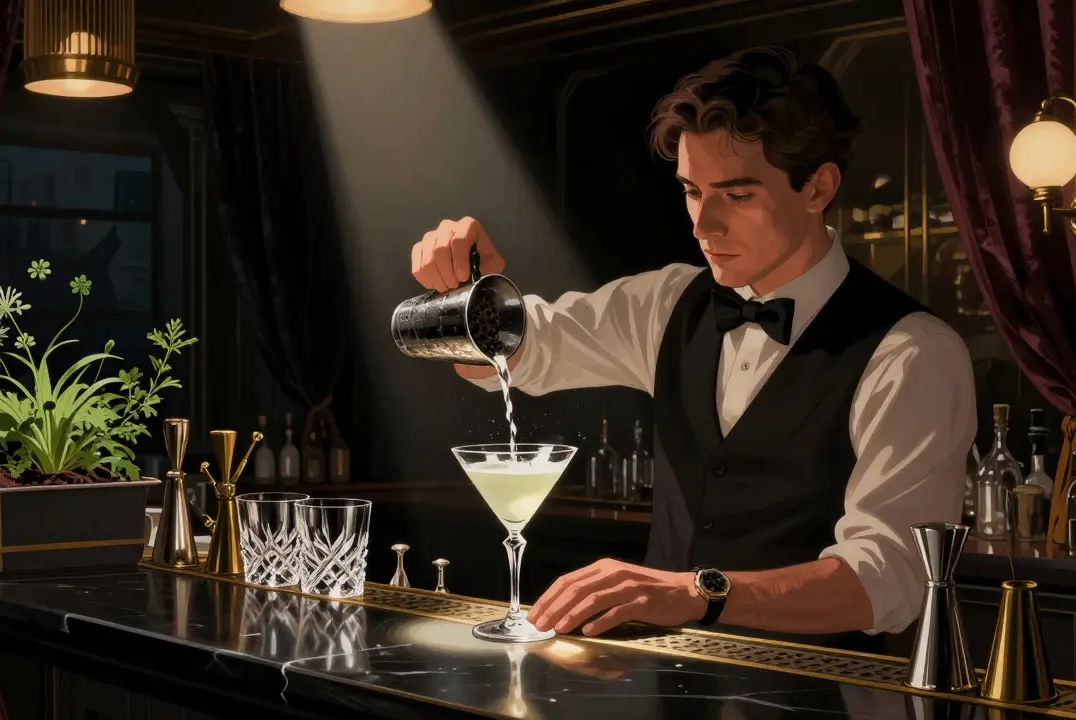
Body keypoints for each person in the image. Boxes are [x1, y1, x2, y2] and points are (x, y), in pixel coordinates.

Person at [409, 47, 975, 652]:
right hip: (668, 688)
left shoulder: (912, 353)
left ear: (818, 187)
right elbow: (517, 354)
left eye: (738, 196)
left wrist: (697, 593)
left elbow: (890, 579)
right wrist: (470, 295)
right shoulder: (666, 302)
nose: (704, 226)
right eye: (691, 192)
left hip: (826, 691)